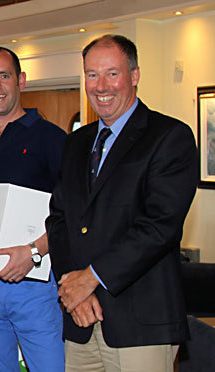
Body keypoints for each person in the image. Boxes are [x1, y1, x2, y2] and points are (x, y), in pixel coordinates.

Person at [47, 34, 198, 371]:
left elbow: (159, 226)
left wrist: (91, 278)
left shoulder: (169, 137)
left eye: (112, 73)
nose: (101, 86)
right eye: (91, 75)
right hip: (81, 321)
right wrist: (75, 288)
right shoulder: (75, 143)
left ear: (134, 75)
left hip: (141, 325)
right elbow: (59, 220)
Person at [0, 47, 66, 371]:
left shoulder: (52, 139)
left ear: (20, 79)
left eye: (4, 76)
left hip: (34, 283)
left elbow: (76, 212)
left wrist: (34, 252)